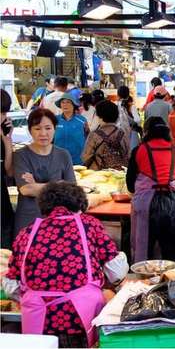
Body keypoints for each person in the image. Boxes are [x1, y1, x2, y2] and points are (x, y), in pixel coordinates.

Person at [2, 182, 128, 348]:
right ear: (80, 206)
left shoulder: (26, 232)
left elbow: (11, 284)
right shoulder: (89, 224)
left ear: (44, 207)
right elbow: (116, 271)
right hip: (81, 316)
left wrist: (37, 296)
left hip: (38, 318)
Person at [126, 117, 175, 262]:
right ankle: (170, 281)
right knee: (170, 250)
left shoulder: (139, 150)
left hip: (146, 204)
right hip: (172, 203)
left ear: (147, 132)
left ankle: (143, 280)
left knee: (144, 249)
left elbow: (130, 185)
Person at [13, 109, 76, 236]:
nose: (43, 133)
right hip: (28, 222)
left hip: (58, 222)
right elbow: (26, 189)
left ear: (54, 129)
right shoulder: (20, 155)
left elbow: (72, 190)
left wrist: (37, 185)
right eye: (37, 128)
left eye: (48, 128)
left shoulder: (63, 155)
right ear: (30, 130)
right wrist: (60, 185)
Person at [81, 101, 129, 170]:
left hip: (100, 175)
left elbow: (85, 157)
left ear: (100, 116)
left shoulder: (94, 135)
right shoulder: (122, 133)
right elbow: (128, 154)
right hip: (120, 173)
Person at [53, 93, 88, 165]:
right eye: (63, 102)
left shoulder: (82, 120)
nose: (65, 105)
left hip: (78, 161)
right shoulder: (55, 120)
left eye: (68, 102)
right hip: (58, 160)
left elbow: (88, 137)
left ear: (73, 105)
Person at [1, 89, 14, 248]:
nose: (1, 118)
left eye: (3, 113)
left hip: (3, 208)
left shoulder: (3, 136)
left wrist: (7, 140)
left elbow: (9, 171)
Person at [116, 85, 141, 150]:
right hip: (132, 135)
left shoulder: (115, 106)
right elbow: (138, 120)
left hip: (119, 135)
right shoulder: (131, 106)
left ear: (118, 95)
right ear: (128, 95)